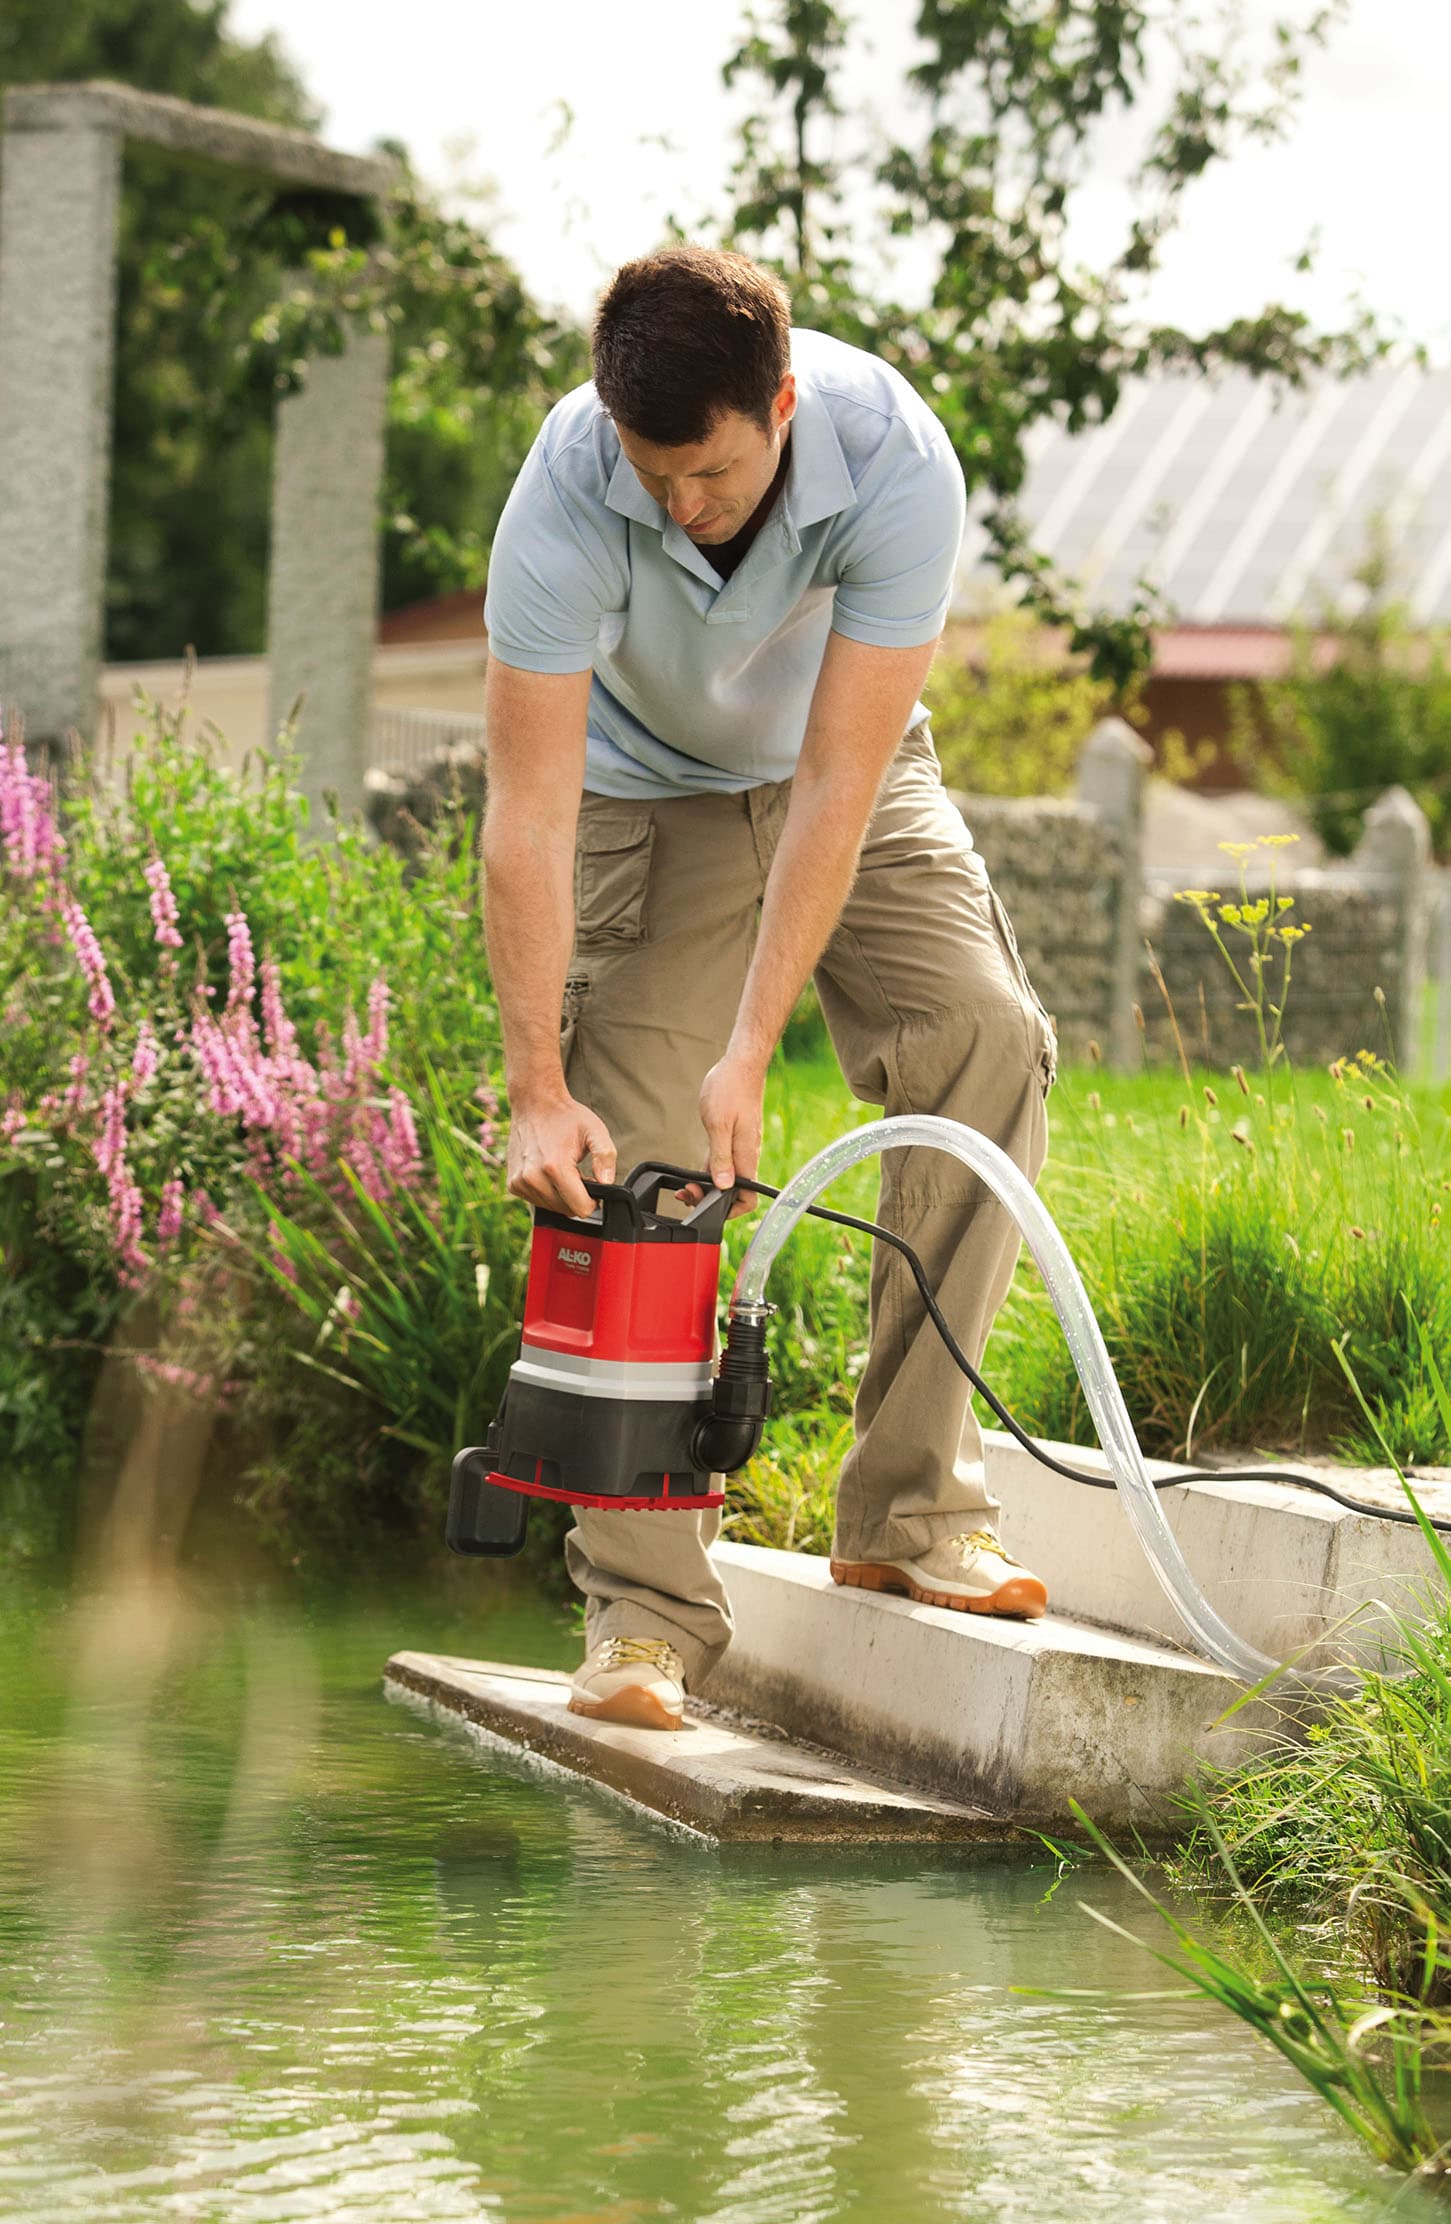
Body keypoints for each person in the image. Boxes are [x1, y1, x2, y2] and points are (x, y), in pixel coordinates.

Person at [481, 244, 1057, 1732]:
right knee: (634, 1151)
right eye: (654, 471)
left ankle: (911, 1514)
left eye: (715, 475)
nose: (682, 504)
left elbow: (839, 785)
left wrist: (759, 1044)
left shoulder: (897, 463)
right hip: (641, 794)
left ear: (784, 404)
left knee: (987, 1038)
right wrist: (537, 1091)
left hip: (843, 780)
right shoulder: (562, 490)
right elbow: (529, 816)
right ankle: (645, 1622)